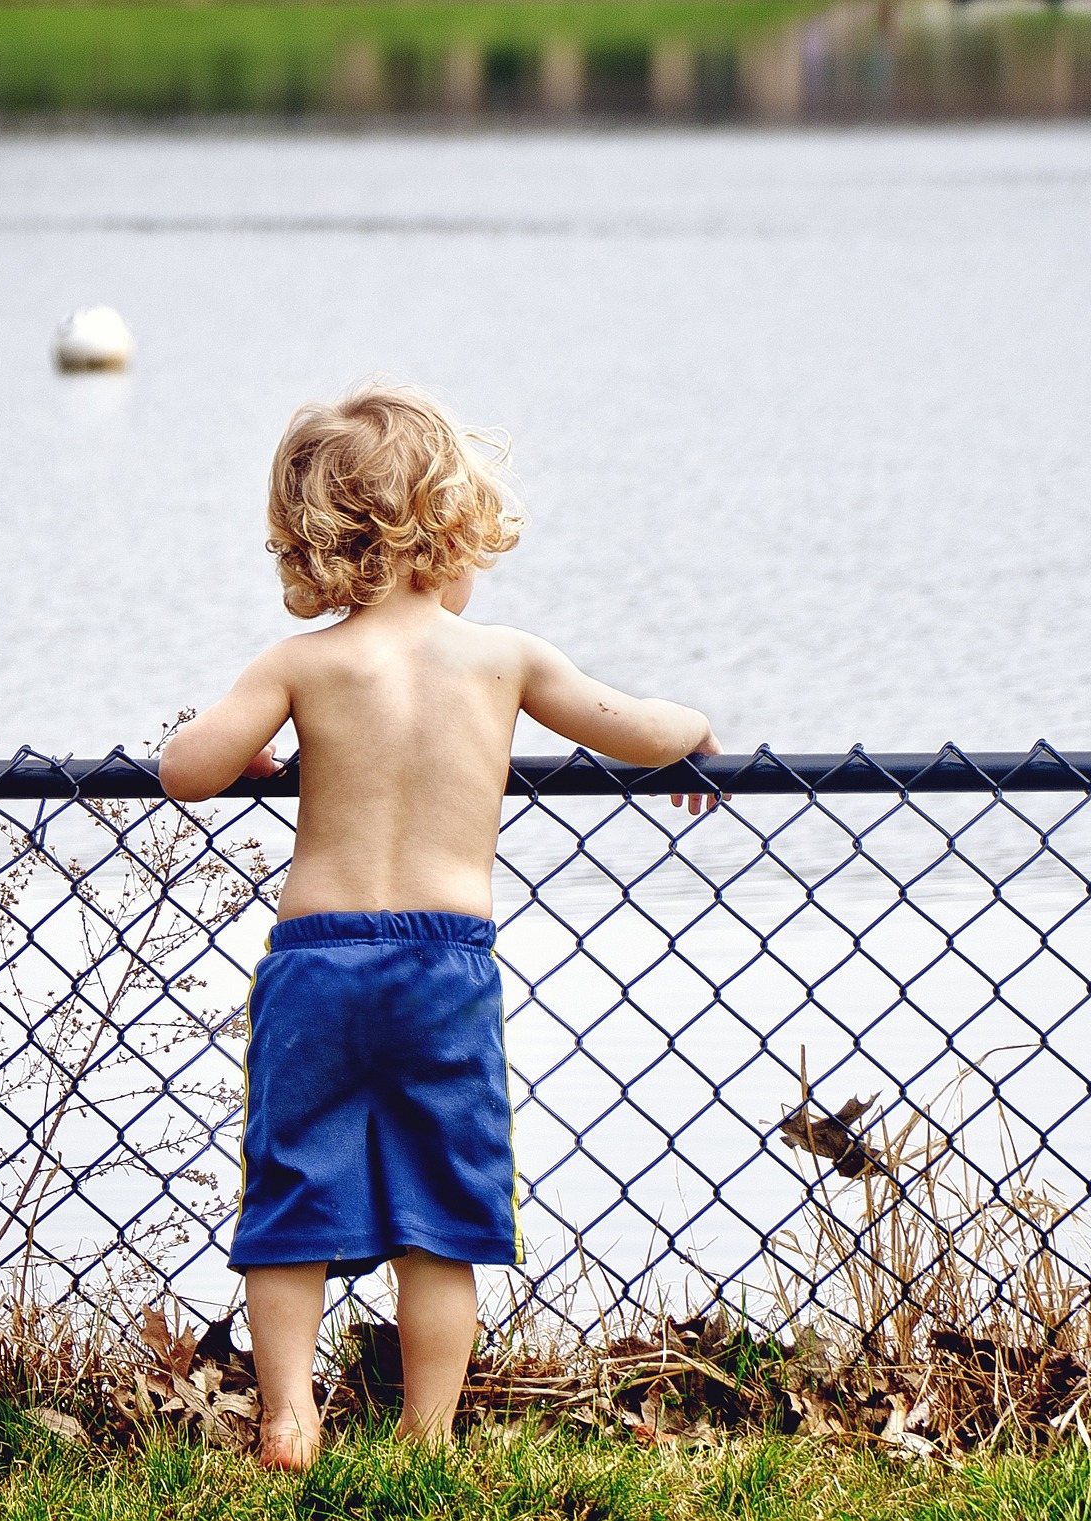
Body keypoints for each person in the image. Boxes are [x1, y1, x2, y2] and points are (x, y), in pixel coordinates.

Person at [160, 384, 721, 1470]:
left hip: (317, 964)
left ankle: (287, 1416)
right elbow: (645, 735)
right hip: (442, 968)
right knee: (440, 1212)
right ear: (450, 527)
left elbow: (188, 769)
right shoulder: (503, 658)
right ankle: (425, 1433)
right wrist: (700, 728)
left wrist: (243, 747)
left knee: (292, 1192)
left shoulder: (303, 665)